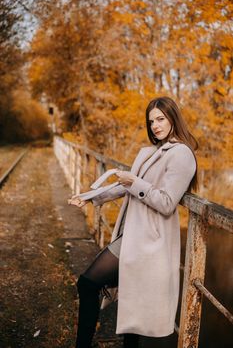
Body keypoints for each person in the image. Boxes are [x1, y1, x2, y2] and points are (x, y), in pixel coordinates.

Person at [69, 96, 198, 348]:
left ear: (173, 117)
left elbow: (167, 202)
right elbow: (124, 187)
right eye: (151, 122)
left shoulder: (182, 154)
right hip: (130, 235)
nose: (156, 126)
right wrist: (89, 198)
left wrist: (135, 183)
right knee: (127, 304)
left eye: (160, 119)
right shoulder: (150, 152)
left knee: (88, 284)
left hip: (148, 241)